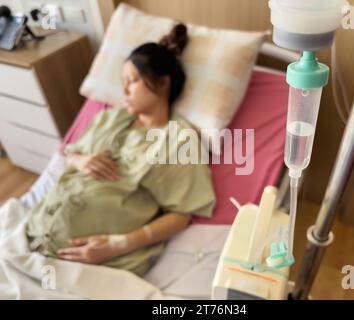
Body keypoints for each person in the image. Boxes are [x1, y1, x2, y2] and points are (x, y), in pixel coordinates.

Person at [25, 24, 216, 277]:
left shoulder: (178, 139)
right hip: (34, 232)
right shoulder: (109, 118)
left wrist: (119, 245)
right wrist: (81, 159)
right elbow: (70, 154)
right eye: (122, 81)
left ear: (162, 83)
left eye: (133, 81)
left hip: (95, 263)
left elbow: (182, 213)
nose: (124, 90)